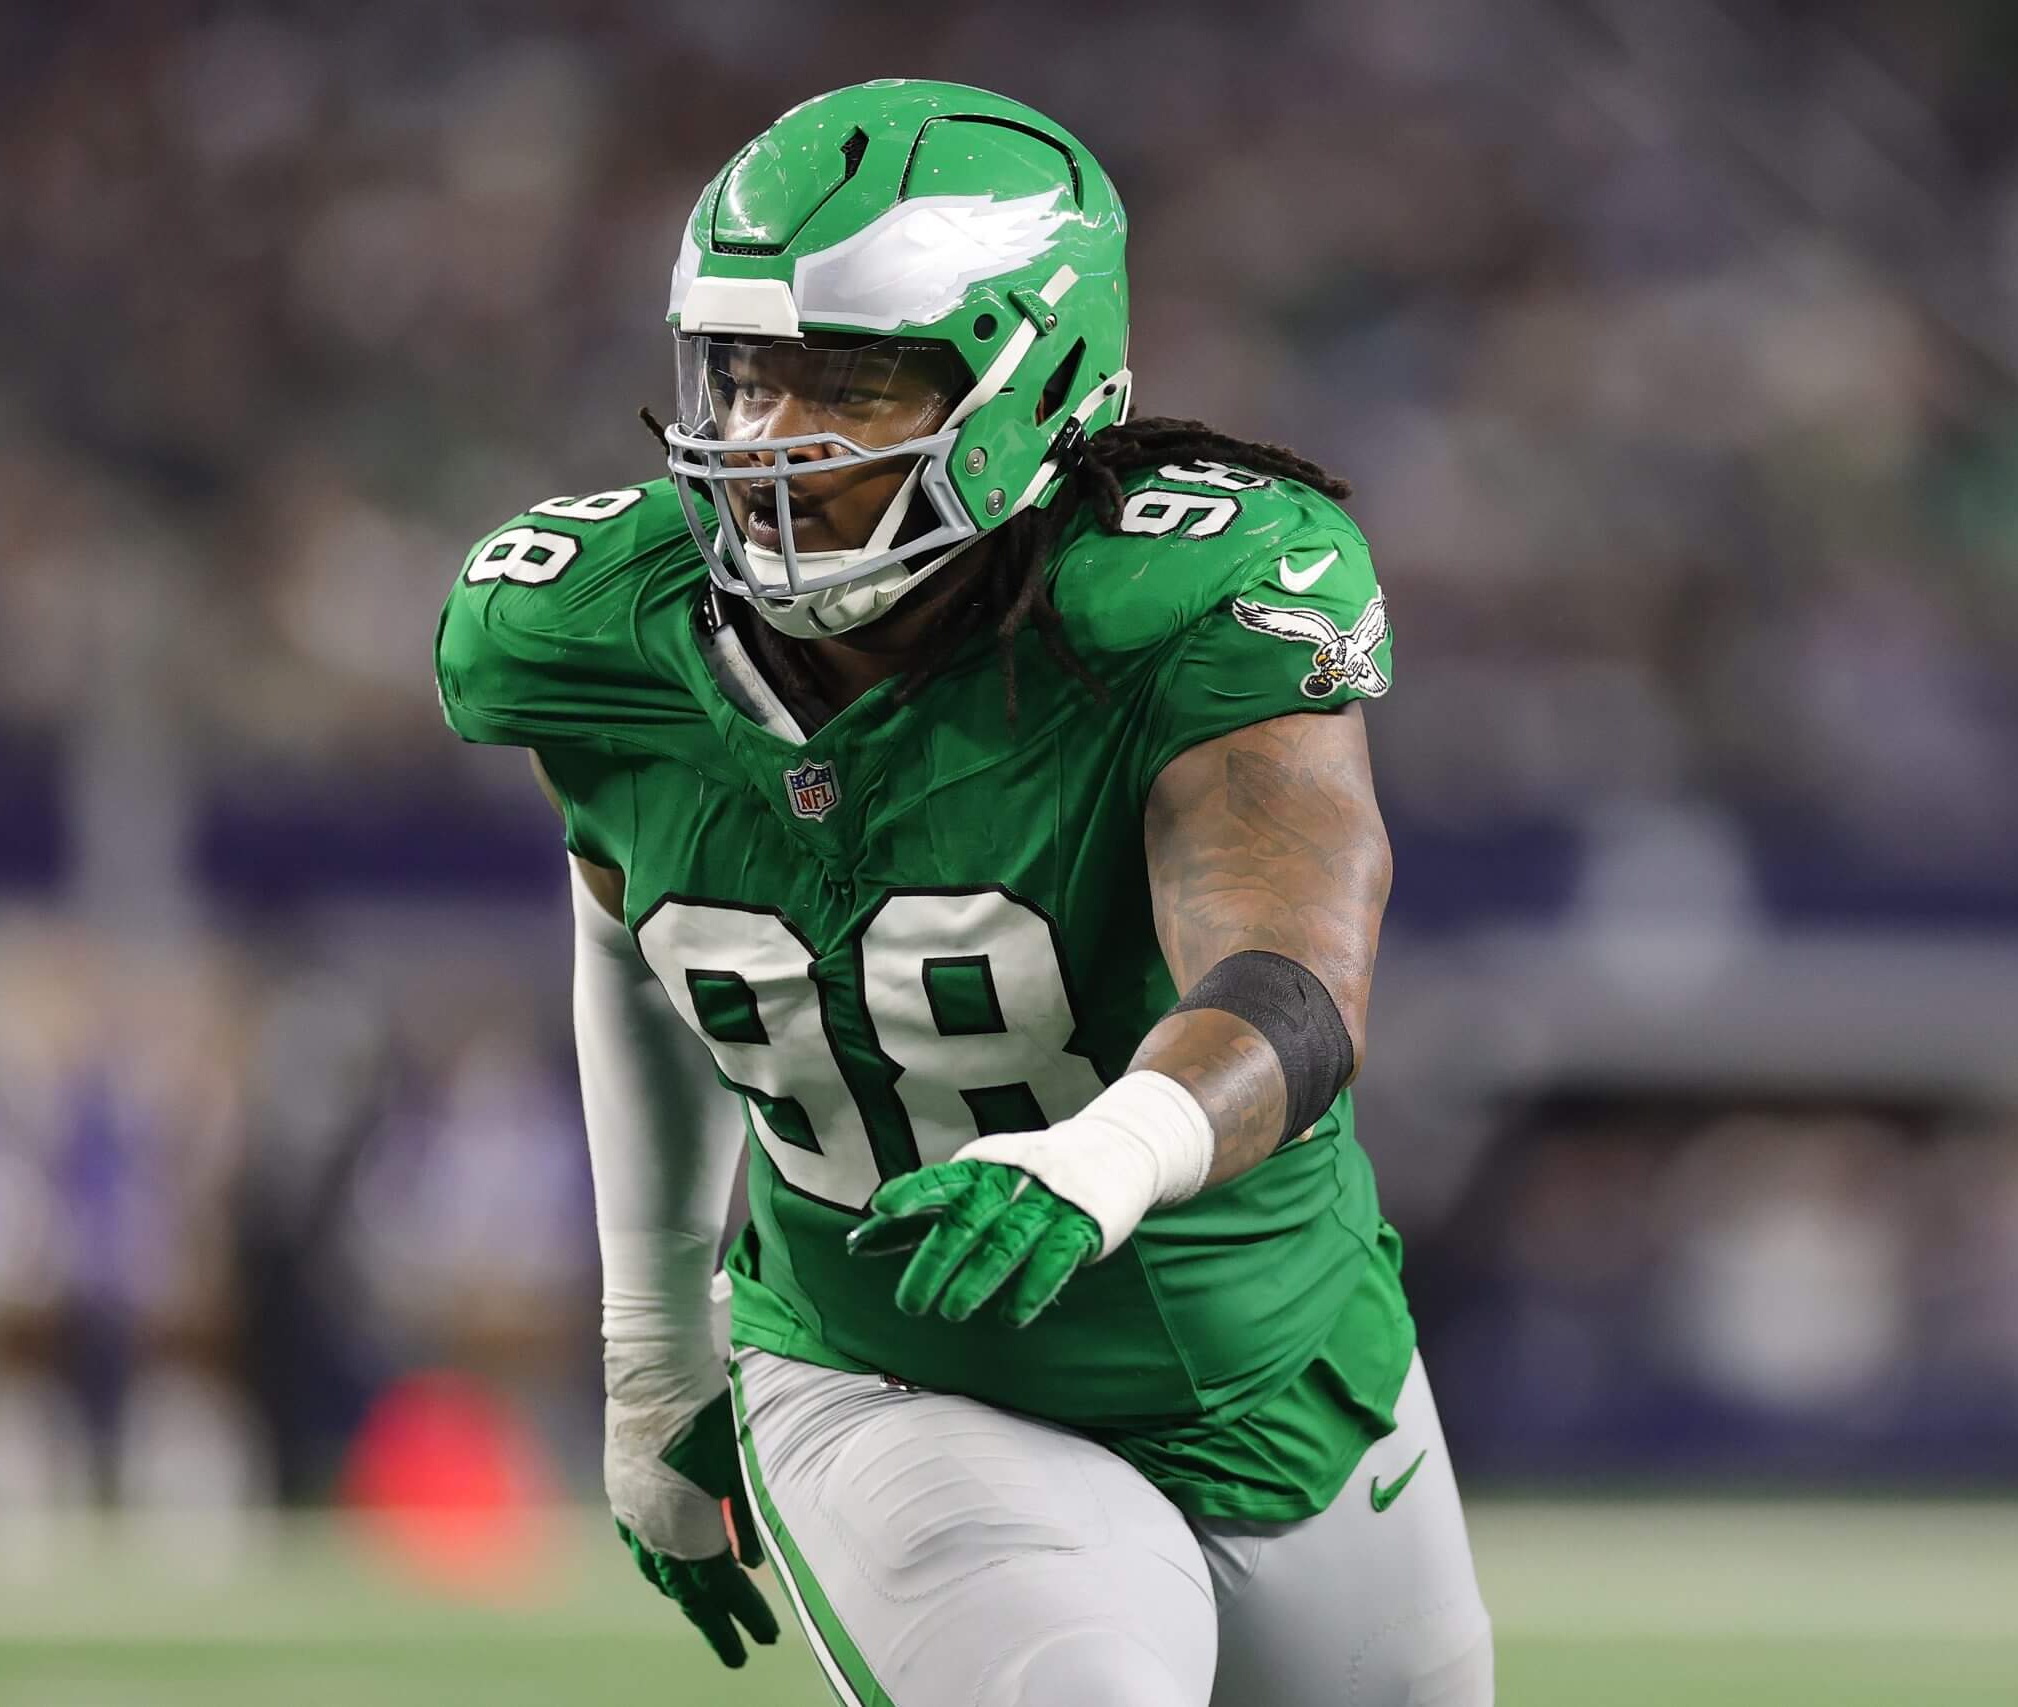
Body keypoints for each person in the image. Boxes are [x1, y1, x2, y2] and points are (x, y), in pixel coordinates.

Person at [435, 79, 1492, 1707]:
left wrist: (1097, 1159)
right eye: (742, 377)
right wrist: (653, 1351)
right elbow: (643, 941)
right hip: (893, 1373)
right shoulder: (590, 632)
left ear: (1033, 384)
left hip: (1283, 1355)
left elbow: (1293, 976)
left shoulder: (1182, 601)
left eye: (847, 385)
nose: (766, 441)